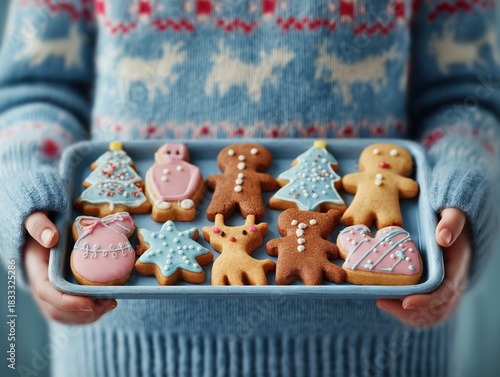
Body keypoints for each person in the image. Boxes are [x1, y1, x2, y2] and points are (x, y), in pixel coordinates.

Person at [1, 1, 499, 376]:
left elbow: (471, 92)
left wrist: (459, 192)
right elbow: (33, 89)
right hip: (121, 348)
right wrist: (33, 208)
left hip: (382, 351)